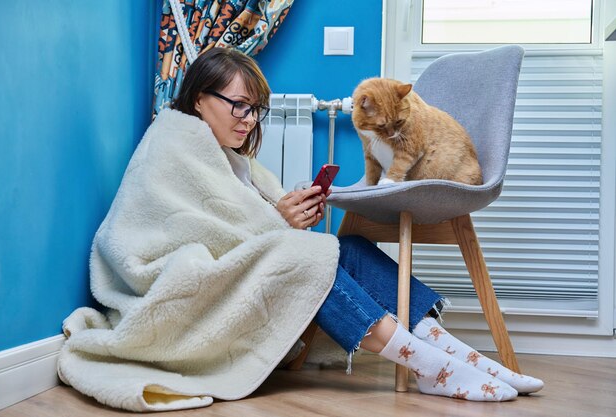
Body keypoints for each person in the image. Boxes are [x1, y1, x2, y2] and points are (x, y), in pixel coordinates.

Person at [58, 47, 543, 412]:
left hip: (223, 269)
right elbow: (194, 234)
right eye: (239, 106)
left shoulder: (224, 153)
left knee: (344, 247)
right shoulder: (173, 142)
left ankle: (454, 354)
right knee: (305, 257)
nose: (248, 120)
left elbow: (241, 225)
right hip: (172, 287)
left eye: (255, 110)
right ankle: (427, 362)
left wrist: (284, 215)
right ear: (200, 98)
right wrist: (280, 222)